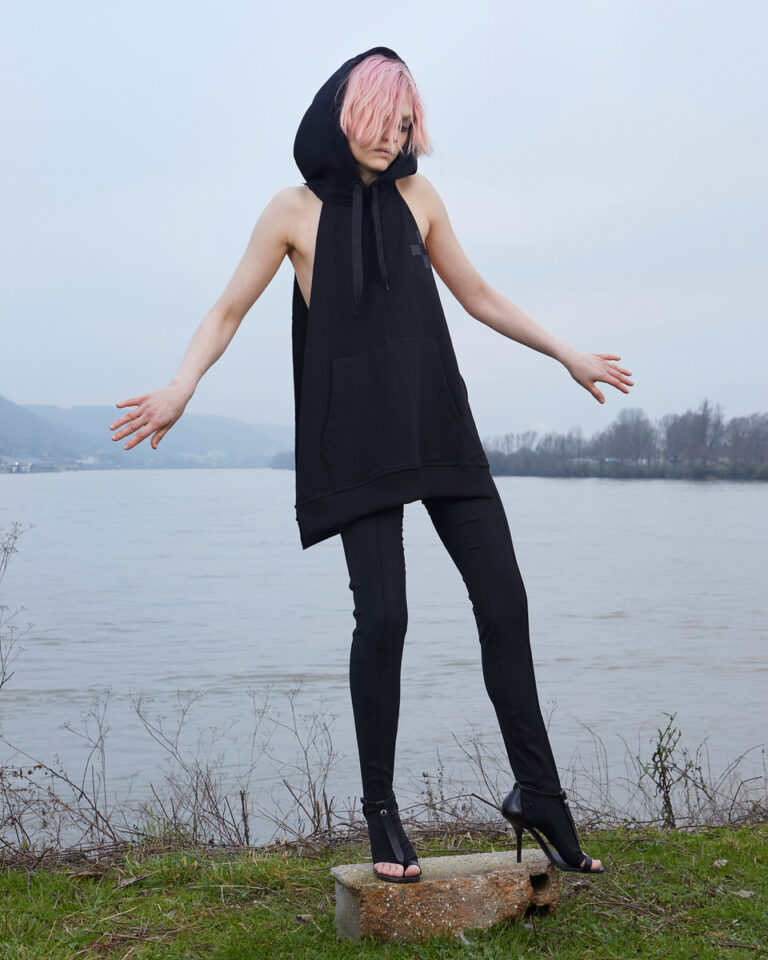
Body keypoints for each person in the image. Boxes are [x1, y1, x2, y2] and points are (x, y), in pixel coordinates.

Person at [109, 46, 632, 883]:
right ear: (345, 115)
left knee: (505, 600)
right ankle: (381, 814)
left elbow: (479, 296)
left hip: (437, 423)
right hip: (354, 437)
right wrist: (181, 385)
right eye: (382, 123)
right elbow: (227, 309)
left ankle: (541, 794)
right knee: (384, 619)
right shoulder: (292, 211)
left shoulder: (421, 199)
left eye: (405, 125)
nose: (394, 139)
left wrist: (565, 352)